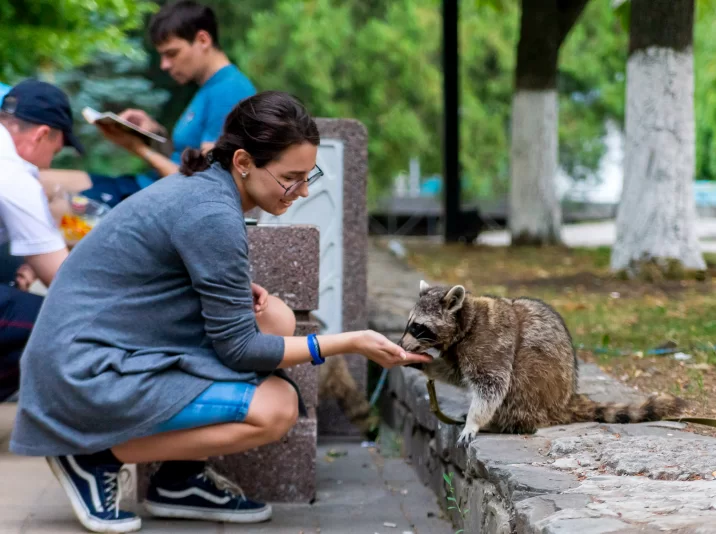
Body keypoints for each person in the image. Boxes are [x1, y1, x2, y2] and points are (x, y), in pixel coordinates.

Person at [9, 90, 432, 533]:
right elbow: (241, 352)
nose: (303, 191)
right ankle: (93, 458)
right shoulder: (211, 212)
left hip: (111, 352)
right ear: (244, 162)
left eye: (310, 176)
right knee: (278, 407)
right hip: (81, 374)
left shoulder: (209, 191)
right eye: (292, 177)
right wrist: (351, 341)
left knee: (278, 319)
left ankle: (177, 479)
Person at [39, 0, 257, 207]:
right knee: (35, 182)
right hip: (145, 188)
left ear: (203, 40)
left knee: (42, 192)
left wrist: (138, 148)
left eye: (172, 53)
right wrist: (152, 132)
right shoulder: (210, 87)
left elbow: (205, 185)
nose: (164, 65)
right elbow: (187, 159)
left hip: (154, 203)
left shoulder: (229, 91)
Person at [0, 79, 84, 401]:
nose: (48, 163)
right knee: (64, 327)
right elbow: (67, 284)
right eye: (55, 150)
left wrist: (26, 262)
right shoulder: (13, 175)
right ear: (40, 135)